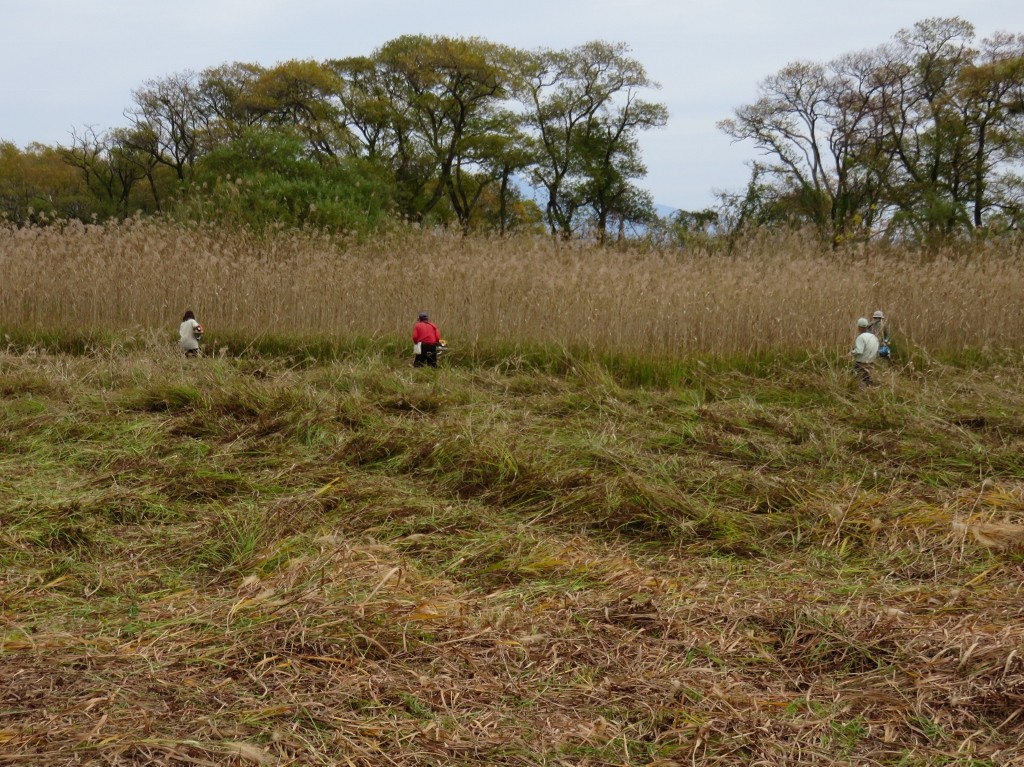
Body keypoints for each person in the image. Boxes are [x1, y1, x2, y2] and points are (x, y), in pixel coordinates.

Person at [851, 317, 880, 386]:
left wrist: (851, 353)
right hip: (871, 362)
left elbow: (859, 351)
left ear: (859, 327)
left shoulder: (861, 337)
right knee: (867, 379)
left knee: (854, 376)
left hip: (861, 363)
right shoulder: (873, 336)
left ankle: (858, 389)